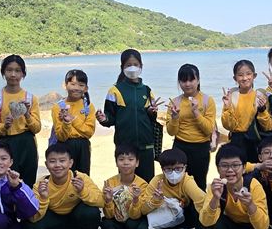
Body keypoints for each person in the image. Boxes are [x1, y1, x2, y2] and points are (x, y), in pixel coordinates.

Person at [26, 143, 105, 229]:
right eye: (52, 161)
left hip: (76, 218)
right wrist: (43, 198)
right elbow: (33, 217)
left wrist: (83, 191)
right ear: (46, 164)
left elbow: (101, 201)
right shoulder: (41, 184)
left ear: (70, 163)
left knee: (91, 212)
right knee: (27, 224)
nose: (58, 165)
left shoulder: (80, 178)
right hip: (54, 220)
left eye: (62, 161)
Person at [98, 48, 161, 181]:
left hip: (146, 146)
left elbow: (151, 118)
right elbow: (110, 118)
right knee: (126, 183)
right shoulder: (115, 90)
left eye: (136, 64)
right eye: (128, 65)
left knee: (147, 183)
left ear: (141, 66)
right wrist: (103, 119)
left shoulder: (147, 90)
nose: (132, 68)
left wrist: (151, 112)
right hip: (125, 147)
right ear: (122, 67)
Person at [139, 146, 210, 229]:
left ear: (185, 167)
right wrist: (155, 200)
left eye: (178, 168)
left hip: (186, 216)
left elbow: (204, 203)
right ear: (162, 169)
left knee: (198, 209)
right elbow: (143, 209)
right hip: (165, 216)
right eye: (168, 169)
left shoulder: (187, 181)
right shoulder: (157, 181)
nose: (173, 173)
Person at [0, 54, 42, 187]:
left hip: (27, 143)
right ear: (3, 72)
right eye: (9, 70)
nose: (13, 74)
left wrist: (27, 114)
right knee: (6, 182)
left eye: (17, 71)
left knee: (28, 182)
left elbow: (37, 128)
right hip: (6, 143)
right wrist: (4, 126)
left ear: (23, 74)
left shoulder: (30, 98)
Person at [165, 63, 217, 188]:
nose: (188, 84)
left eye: (191, 80)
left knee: (199, 183)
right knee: (178, 183)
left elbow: (209, 129)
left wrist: (196, 112)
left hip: (201, 148)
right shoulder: (175, 102)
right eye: (184, 80)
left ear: (198, 80)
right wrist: (175, 117)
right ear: (179, 82)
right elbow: (171, 132)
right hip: (180, 146)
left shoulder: (207, 100)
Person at [100, 144, 153, 229]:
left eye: (130, 159)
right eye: (121, 159)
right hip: (117, 220)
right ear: (116, 162)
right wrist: (108, 200)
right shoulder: (110, 183)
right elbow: (109, 215)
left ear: (137, 163)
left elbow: (136, 215)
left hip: (134, 220)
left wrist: (135, 199)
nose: (126, 163)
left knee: (133, 224)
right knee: (106, 222)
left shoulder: (142, 185)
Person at [220, 59, 272, 162]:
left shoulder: (260, 95)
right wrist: (227, 107)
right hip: (237, 142)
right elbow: (228, 125)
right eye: (240, 75)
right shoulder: (232, 96)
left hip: (256, 142)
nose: (245, 78)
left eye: (248, 74)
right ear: (235, 78)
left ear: (254, 76)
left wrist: (262, 110)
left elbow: (268, 126)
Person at [51, 68, 97, 175]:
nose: (76, 88)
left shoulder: (88, 106)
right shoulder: (58, 108)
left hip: (83, 147)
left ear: (86, 88)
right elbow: (61, 137)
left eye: (81, 85)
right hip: (64, 146)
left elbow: (89, 132)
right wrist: (67, 123)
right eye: (72, 84)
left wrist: (73, 120)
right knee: (64, 176)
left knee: (82, 177)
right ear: (65, 85)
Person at [245, 134, 272, 228]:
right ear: (260, 158)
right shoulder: (258, 171)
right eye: (267, 152)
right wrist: (259, 166)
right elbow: (240, 167)